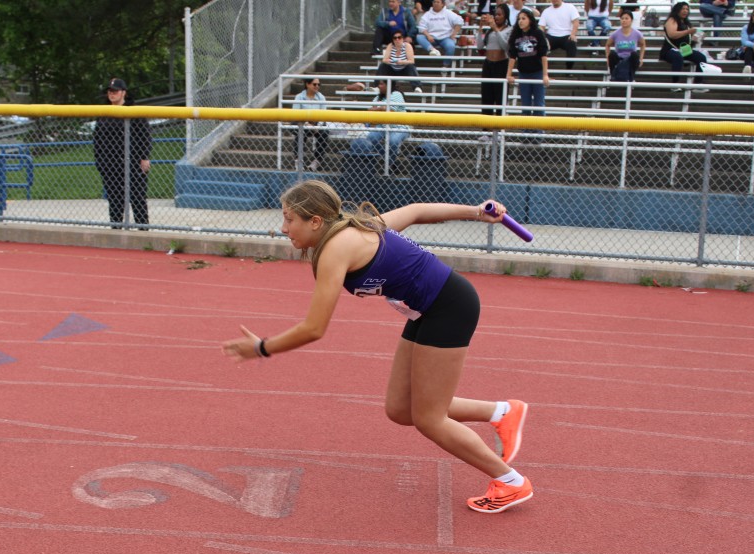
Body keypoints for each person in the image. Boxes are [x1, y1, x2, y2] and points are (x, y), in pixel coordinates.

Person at [221, 180, 534, 514]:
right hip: (427, 310)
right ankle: (501, 412)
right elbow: (416, 211)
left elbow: (314, 328)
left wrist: (263, 347)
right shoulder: (357, 229)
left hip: (449, 306)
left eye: (289, 219)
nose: (283, 228)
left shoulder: (336, 249)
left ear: (315, 221)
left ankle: (511, 482)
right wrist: (476, 212)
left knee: (430, 419)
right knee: (400, 409)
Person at [93, 78, 151, 230]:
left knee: (137, 198)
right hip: (110, 165)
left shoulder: (134, 111)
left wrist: (144, 157)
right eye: (110, 91)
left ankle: (143, 231)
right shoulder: (104, 113)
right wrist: (100, 162)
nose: (111, 94)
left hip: (132, 163)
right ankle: (116, 230)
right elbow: (97, 140)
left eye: (115, 91)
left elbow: (145, 135)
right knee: (115, 200)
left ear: (123, 93)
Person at [507, 8, 549, 133]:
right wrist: (509, 74)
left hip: (537, 72)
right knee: (525, 104)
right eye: (519, 19)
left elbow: (543, 55)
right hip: (523, 73)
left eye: (523, 18)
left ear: (530, 20)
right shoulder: (516, 35)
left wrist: (545, 75)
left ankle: (538, 133)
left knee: (538, 104)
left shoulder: (538, 33)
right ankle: (526, 132)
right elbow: (512, 56)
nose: (521, 21)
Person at [659, 2, 708, 91]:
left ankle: (698, 84)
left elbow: (689, 38)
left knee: (701, 58)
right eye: (683, 9)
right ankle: (675, 84)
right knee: (677, 57)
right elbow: (672, 34)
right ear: (677, 10)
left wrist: (697, 37)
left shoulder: (686, 23)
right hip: (670, 49)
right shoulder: (672, 20)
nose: (685, 11)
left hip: (684, 49)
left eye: (687, 9)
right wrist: (688, 32)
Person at [356, 80, 411, 155]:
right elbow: (370, 111)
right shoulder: (378, 97)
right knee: (370, 138)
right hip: (382, 126)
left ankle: (391, 159)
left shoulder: (396, 94)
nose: (379, 86)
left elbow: (390, 110)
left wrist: (378, 109)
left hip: (399, 126)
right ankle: (384, 155)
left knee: (393, 141)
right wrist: (382, 108)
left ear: (388, 85)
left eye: (381, 84)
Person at [478, 4, 513, 115]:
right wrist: (480, 28)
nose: (496, 17)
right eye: (495, 14)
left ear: (505, 16)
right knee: (486, 96)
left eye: (499, 14)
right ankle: (486, 123)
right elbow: (479, 46)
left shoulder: (510, 29)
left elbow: (505, 46)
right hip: (488, 64)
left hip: (501, 64)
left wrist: (496, 30)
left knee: (500, 96)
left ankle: (499, 123)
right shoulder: (489, 31)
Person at [292, 77, 329, 171]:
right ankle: (298, 160)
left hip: (316, 122)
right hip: (302, 121)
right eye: (314, 84)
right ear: (307, 84)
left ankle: (317, 161)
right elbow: (295, 114)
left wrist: (317, 127)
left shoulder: (321, 97)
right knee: (300, 132)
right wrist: (306, 124)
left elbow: (323, 115)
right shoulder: (299, 97)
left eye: (319, 84)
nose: (317, 86)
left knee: (324, 133)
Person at [416, 0, 465, 67]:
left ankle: (446, 65)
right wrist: (428, 35)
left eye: (438, 2)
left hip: (446, 38)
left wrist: (454, 33)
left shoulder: (448, 13)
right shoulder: (427, 15)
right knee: (419, 37)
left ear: (442, 4)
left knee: (451, 46)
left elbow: (460, 21)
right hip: (431, 38)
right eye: (434, 2)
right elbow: (421, 27)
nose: (436, 4)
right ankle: (432, 50)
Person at [538, 0, 579, 70]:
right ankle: (541, 69)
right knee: (541, 44)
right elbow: (541, 26)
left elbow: (576, 22)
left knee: (572, 44)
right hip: (551, 36)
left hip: (566, 35)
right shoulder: (546, 11)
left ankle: (569, 69)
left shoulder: (570, 7)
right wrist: (541, 37)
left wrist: (573, 34)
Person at [605, 9, 645, 81]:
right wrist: (607, 58)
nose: (624, 20)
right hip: (619, 59)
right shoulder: (615, 33)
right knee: (612, 55)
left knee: (635, 55)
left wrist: (641, 59)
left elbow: (643, 44)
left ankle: (630, 77)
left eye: (626, 18)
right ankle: (614, 75)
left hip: (631, 59)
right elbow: (607, 45)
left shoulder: (637, 33)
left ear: (631, 20)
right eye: (622, 18)